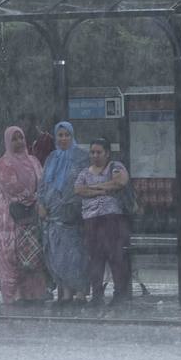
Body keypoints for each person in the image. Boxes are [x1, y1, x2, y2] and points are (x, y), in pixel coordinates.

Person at [37, 121, 91, 305]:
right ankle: (66, 292)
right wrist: (42, 204)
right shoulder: (52, 158)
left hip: (74, 215)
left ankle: (81, 292)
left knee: (77, 255)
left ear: (72, 135)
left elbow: (85, 182)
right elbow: (43, 184)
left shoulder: (82, 157)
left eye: (67, 135)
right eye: (60, 135)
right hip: (54, 216)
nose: (63, 139)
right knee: (58, 255)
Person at [0, 125, 47, 303]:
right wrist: (30, 198)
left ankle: (33, 293)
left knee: (31, 252)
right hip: (9, 214)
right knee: (11, 254)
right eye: (14, 139)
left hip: (32, 213)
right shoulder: (4, 163)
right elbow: (11, 188)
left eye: (20, 138)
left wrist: (36, 199)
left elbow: (43, 183)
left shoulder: (33, 161)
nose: (18, 142)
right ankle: (14, 296)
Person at [74, 138, 131, 305]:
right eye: (92, 152)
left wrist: (92, 188)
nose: (95, 155)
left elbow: (120, 182)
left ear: (107, 153)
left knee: (115, 257)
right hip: (91, 220)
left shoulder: (115, 167)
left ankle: (119, 294)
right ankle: (97, 295)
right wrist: (104, 189)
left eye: (99, 152)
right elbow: (78, 189)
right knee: (95, 258)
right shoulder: (84, 172)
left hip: (111, 219)